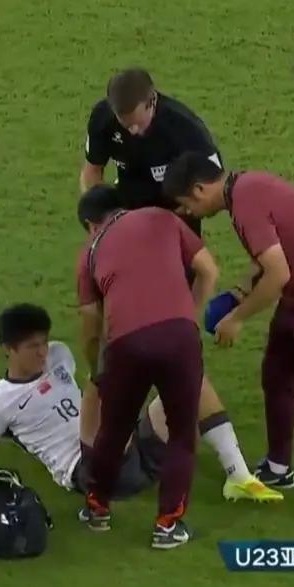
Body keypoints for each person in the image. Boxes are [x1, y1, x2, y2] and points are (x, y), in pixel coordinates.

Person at [163, 152, 294, 524]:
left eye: (186, 203)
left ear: (199, 189)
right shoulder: (244, 189)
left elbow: (278, 274)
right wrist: (242, 289)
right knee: (276, 374)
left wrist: (236, 319)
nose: (188, 212)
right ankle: (278, 465)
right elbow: (272, 252)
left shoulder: (245, 203)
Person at [0, 304, 282, 506]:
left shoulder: (58, 355)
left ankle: (238, 475)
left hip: (134, 451)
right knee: (100, 382)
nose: (42, 352)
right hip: (93, 470)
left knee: (191, 380)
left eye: (44, 342)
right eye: (32, 346)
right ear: (7, 349)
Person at [74, 184, 217, 550]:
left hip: (126, 344)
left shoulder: (90, 252)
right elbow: (209, 270)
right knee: (182, 433)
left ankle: (97, 508)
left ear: (91, 224)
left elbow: (90, 323)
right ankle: (168, 526)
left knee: (113, 430)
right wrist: (188, 317)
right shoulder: (162, 217)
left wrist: (96, 368)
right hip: (179, 338)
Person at [80, 67, 222, 235]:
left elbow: (215, 184)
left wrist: (185, 211)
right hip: (129, 212)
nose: (133, 131)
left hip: (177, 218)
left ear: (152, 101)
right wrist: (100, 216)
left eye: (138, 123)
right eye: (126, 125)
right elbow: (93, 170)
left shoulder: (184, 127)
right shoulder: (102, 119)